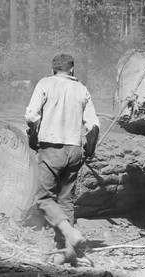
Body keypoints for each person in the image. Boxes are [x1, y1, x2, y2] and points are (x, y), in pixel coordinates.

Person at [25, 54, 100, 265]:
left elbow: (32, 116)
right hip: (74, 150)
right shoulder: (82, 89)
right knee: (66, 201)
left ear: (53, 70)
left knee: (44, 198)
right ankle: (65, 252)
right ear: (72, 70)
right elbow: (93, 125)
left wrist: (33, 137)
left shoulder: (45, 84)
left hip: (52, 148)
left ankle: (70, 233)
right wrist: (90, 149)